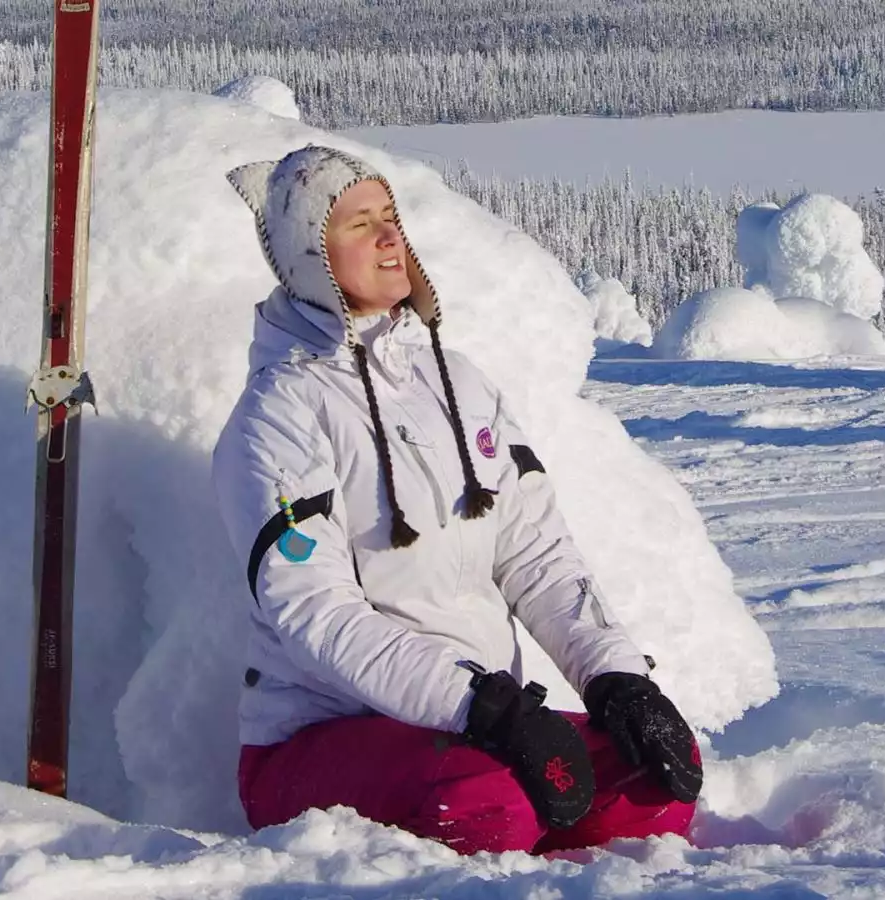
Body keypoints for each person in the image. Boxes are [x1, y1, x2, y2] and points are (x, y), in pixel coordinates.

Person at [212, 145, 702, 856]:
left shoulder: (459, 383)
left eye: (390, 217)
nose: (389, 238)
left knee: (657, 774)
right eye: (357, 224)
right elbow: (314, 612)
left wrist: (617, 679)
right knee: (483, 804)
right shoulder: (279, 411)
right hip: (319, 738)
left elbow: (536, 554)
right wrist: (484, 709)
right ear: (308, 256)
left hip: (478, 725)